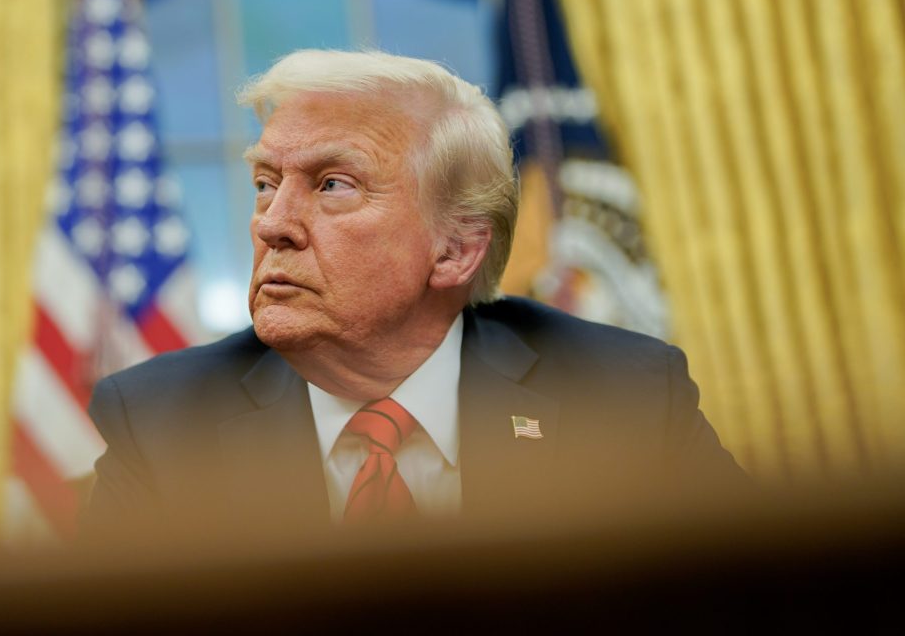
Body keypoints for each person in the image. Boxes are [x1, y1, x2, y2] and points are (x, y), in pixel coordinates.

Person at [84, 49, 746, 536]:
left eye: (332, 185)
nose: (272, 223)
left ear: (456, 249)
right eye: (265, 182)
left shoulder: (623, 401)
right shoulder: (164, 429)